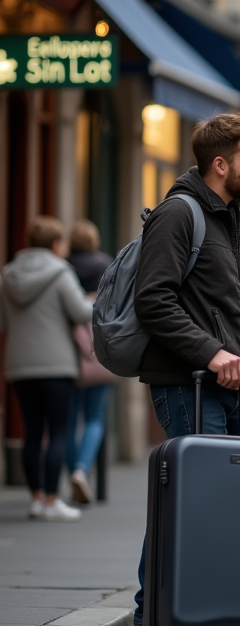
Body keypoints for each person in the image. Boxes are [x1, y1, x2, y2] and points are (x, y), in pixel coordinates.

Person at [128, 113, 240, 626]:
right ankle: (150, 615)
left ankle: (204, 610)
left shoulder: (228, 214)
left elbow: (223, 301)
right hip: (186, 382)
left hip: (228, 384)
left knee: (215, 503)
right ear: (220, 165)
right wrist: (213, 353)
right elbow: (153, 299)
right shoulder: (179, 214)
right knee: (189, 498)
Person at [0, 216, 93, 521]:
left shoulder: (8, 275)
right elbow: (81, 312)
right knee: (58, 432)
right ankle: (53, 500)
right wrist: (93, 301)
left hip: (20, 365)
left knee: (32, 433)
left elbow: (3, 322)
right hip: (56, 364)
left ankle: (36, 499)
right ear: (55, 244)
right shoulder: (60, 272)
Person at [65, 219, 115, 504]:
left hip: (68, 351)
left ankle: (73, 472)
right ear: (94, 241)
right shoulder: (105, 266)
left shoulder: (63, 268)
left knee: (69, 421)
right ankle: (82, 470)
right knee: (95, 417)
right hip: (97, 350)